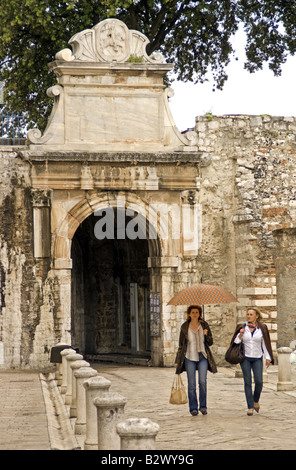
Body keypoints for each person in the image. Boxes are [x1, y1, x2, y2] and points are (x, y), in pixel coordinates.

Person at [230, 307, 274, 416]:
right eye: (248, 314)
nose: (249, 316)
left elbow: (265, 343)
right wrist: (240, 334)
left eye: (251, 314)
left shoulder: (262, 328)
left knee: (259, 382)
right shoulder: (242, 327)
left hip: (257, 357)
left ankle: (255, 400)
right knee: (247, 382)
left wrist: (268, 357)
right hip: (245, 358)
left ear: (256, 316)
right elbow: (235, 342)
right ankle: (250, 406)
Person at [174, 305, 217, 416]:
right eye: (192, 312)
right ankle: (193, 408)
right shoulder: (184, 327)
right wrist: (177, 360)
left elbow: (210, 342)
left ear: (199, 314)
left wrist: (206, 335)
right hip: (189, 357)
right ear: (189, 314)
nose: (194, 314)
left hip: (202, 356)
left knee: (202, 382)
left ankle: (203, 407)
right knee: (191, 384)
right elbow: (181, 345)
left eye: (197, 312)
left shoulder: (204, 325)